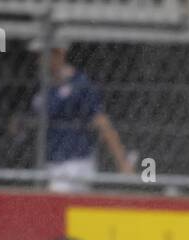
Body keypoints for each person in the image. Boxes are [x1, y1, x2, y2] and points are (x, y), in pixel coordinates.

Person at [27, 44, 133, 193]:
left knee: (55, 203)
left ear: (59, 54)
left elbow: (101, 122)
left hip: (75, 162)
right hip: (51, 161)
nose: (39, 61)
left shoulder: (79, 84)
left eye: (43, 55)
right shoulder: (44, 88)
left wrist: (122, 161)